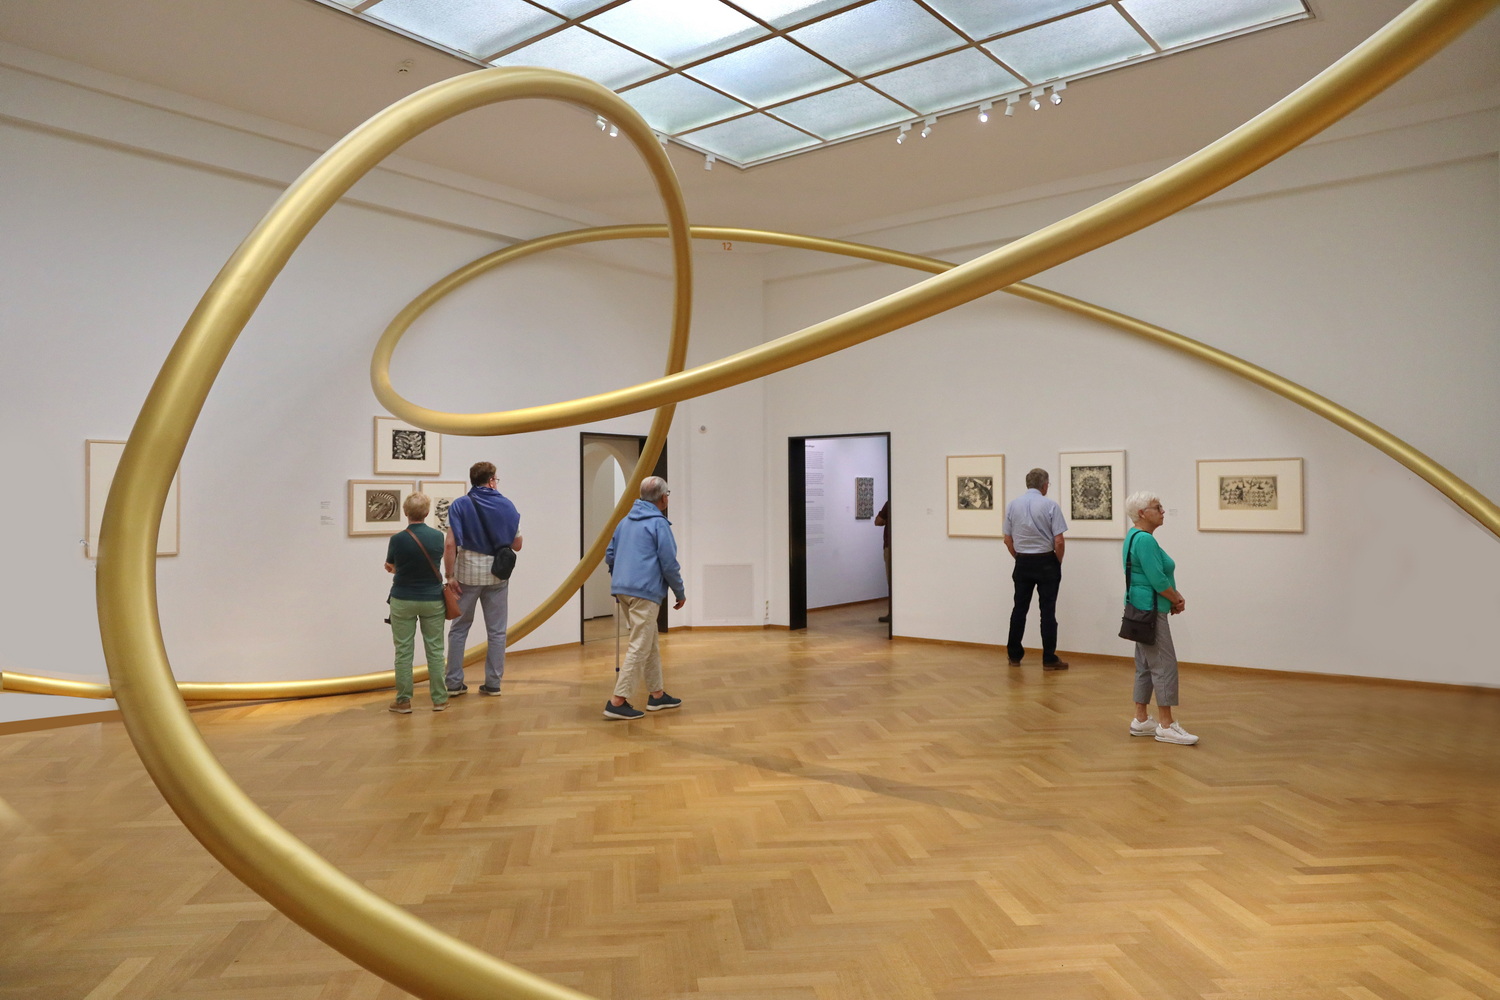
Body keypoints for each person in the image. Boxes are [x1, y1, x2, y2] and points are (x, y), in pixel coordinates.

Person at [603, 476, 685, 720]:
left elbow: (610, 554)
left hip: (623, 589)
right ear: (663, 498)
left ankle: (657, 695)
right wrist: (679, 592)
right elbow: (669, 563)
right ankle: (617, 701)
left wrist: (620, 578)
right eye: (667, 494)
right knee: (640, 643)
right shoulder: (659, 524)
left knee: (649, 641)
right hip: (645, 592)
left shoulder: (624, 522)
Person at [1122, 491, 1198, 745]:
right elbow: (1157, 579)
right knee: (1164, 665)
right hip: (1151, 612)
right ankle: (1166, 724)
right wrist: (1176, 599)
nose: (1163, 511)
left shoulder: (1133, 536)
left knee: (1145, 665)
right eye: (1157, 507)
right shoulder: (1145, 540)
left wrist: (1173, 597)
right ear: (1142, 513)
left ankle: (1141, 719)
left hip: (1140, 609)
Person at [443, 461, 522, 698]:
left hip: (466, 574)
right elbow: (517, 544)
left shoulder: (460, 504)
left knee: (459, 629)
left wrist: (449, 575)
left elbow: (450, 544)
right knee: (497, 632)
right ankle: (493, 684)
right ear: (490, 481)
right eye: (496, 479)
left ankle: (454, 683)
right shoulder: (507, 505)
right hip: (497, 575)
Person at [383, 492, 449, 714]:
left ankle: (403, 701)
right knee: (435, 650)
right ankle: (439, 699)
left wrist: (395, 569)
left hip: (403, 599)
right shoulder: (437, 537)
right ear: (427, 512)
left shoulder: (397, 539)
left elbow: (391, 565)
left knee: (403, 651)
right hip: (432, 599)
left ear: (405, 512)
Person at [1002, 468, 1069, 670]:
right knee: (1047, 611)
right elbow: (1059, 541)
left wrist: (1018, 557)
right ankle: (1049, 658)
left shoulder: (1012, 505)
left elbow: (1007, 539)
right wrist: (1057, 562)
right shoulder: (1050, 505)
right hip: (1046, 561)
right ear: (1044, 485)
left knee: (1019, 609)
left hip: (1023, 562)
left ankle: (1014, 655)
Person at [874, 499, 891, 623]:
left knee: (891, 581)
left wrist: (887, 521)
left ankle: (893, 614)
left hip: (890, 546)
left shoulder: (890, 503)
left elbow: (878, 521)